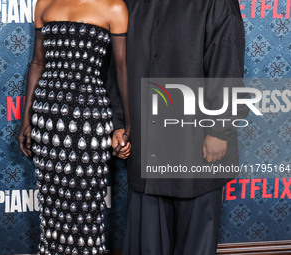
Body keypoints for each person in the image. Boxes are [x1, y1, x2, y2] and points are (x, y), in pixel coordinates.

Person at [108, 0, 250, 254]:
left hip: (196, 143)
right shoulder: (129, 2)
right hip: (145, 142)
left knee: (195, 243)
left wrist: (219, 130)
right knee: (146, 244)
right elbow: (117, 66)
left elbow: (226, 59)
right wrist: (118, 124)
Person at [17, 0, 131, 254]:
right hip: (47, 121)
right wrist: (26, 118)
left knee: (87, 211)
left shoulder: (114, 7)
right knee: (51, 209)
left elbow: (122, 68)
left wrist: (128, 125)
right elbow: (37, 62)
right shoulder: (44, 3)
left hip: (90, 121)